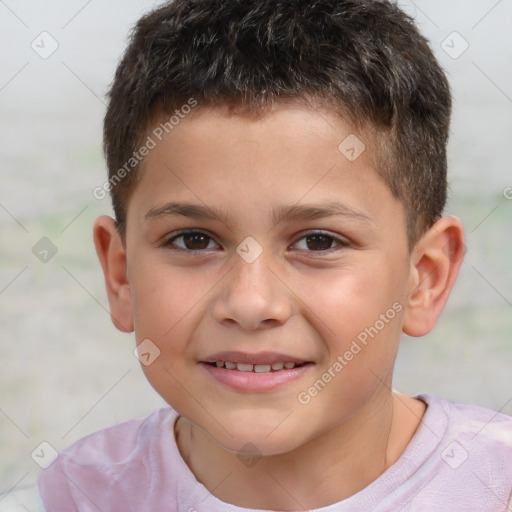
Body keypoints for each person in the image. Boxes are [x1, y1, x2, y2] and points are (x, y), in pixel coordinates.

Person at [2, 0, 512, 510]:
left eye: (318, 241)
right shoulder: (83, 493)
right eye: (193, 240)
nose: (250, 303)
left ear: (423, 278)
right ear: (121, 275)